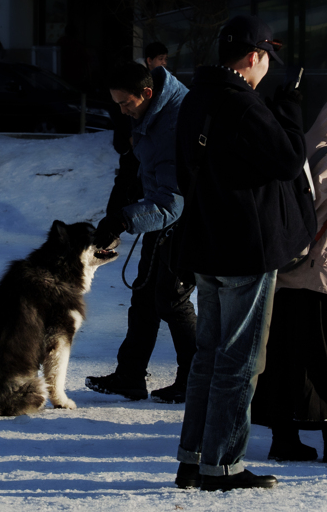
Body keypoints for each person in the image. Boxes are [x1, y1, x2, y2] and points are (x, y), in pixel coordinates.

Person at [173, 14, 313, 492]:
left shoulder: (194, 98)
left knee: (208, 358)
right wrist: (290, 105)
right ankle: (223, 466)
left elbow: (181, 173)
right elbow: (290, 159)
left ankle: (192, 459)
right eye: (266, 59)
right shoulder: (243, 104)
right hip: (245, 250)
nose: (266, 69)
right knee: (239, 362)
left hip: (206, 246)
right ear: (254, 56)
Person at [249, 94, 327, 464]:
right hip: (322, 273)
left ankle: (284, 440)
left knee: (284, 356)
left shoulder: (294, 150)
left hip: (282, 271)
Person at [87, 61, 195, 404]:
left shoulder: (174, 124)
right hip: (158, 217)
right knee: (145, 295)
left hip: (186, 222)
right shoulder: (149, 114)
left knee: (172, 299)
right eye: (116, 103)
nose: (121, 111)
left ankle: (194, 378)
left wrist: (122, 220)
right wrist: (118, 213)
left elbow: (172, 202)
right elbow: (138, 174)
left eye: (125, 103)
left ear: (147, 93)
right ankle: (130, 375)